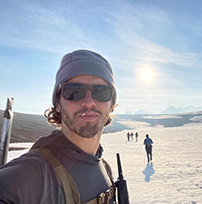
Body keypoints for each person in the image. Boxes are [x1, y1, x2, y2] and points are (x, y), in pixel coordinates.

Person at [0, 50, 118, 204]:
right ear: (58, 104)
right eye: (74, 91)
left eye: (102, 92)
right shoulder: (34, 173)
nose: (89, 102)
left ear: (111, 105)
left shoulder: (103, 166)